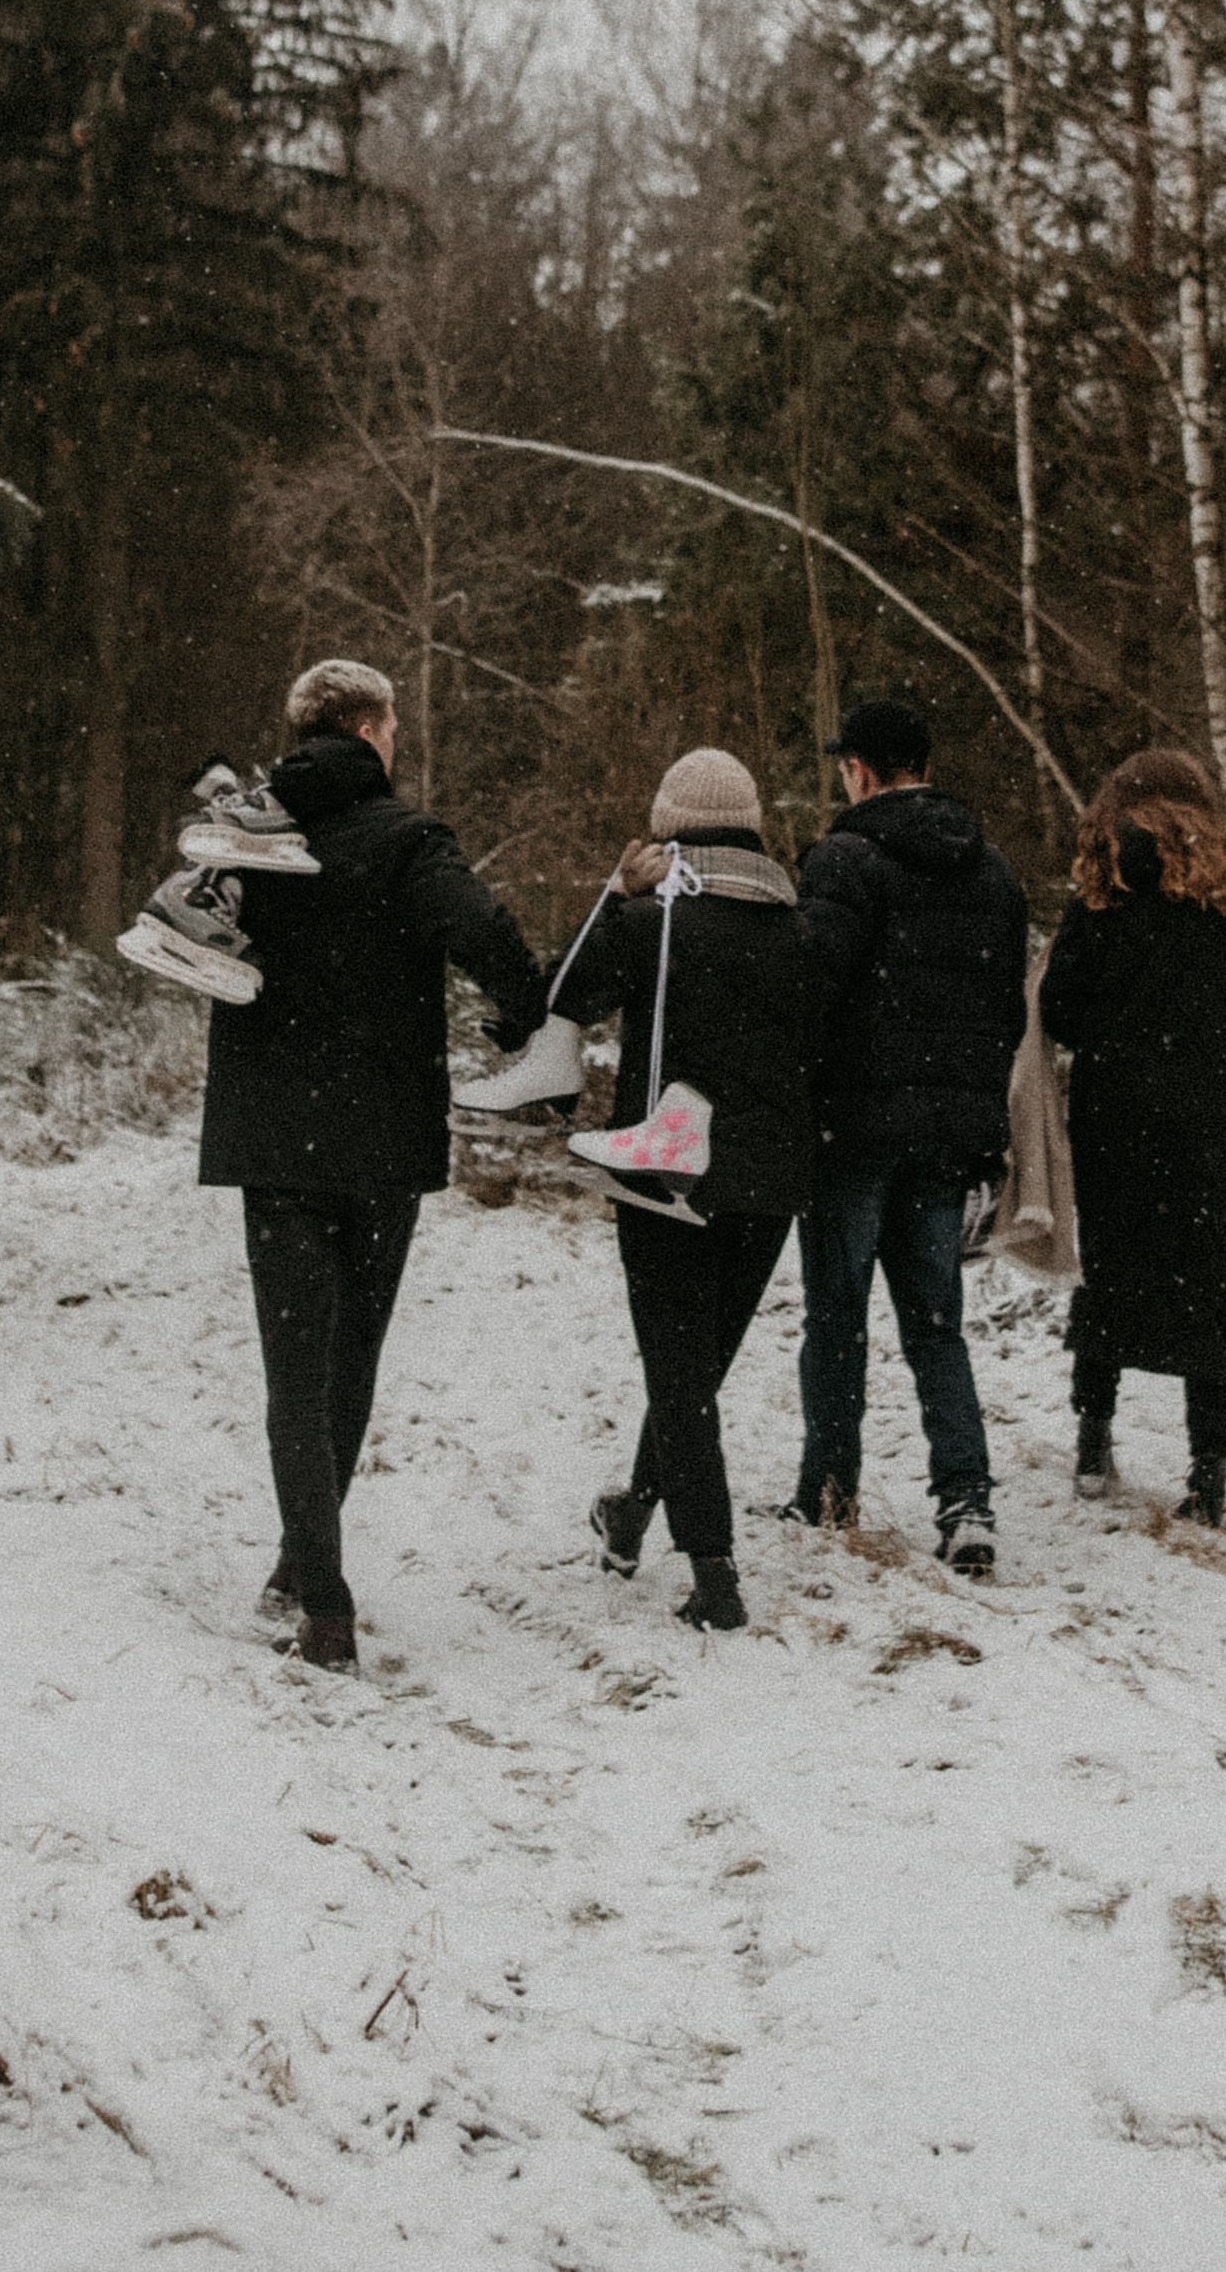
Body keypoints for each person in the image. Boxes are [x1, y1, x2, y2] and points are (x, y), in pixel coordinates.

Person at [198, 657, 545, 1672]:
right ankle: (306, 1571)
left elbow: (188, 930)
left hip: (273, 1137)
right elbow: (480, 927)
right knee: (350, 1362)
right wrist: (522, 1013)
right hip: (383, 1137)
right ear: (373, 728)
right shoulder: (406, 839)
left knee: (292, 1372)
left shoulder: (245, 837)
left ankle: (317, 1594)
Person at [486, 747, 825, 1632]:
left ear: (668, 833)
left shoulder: (653, 923)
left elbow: (553, 1001)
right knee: (698, 1367)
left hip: (667, 1170)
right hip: (772, 1181)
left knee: (679, 1375)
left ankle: (714, 1575)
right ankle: (634, 1507)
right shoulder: (805, 931)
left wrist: (613, 892)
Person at [1038, 746, 1226, 1527]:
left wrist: (1115, 1027)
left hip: (1121, 1115)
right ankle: (1208, 1469)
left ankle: (1093, 1438)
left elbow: (1060, 1006)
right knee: (1214, 1280)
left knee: (1111, 1271)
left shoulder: (1101, 895)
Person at [785, 695, 1028, 1572]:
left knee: (835, 1316)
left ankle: (829, 1490)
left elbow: (810, 987)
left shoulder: (844, 860)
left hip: (851, 1127)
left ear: (860, 768)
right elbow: (1007, 1014)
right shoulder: (993, 871)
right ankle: (966, 1500)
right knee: (936, 1326)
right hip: (945, 1133)